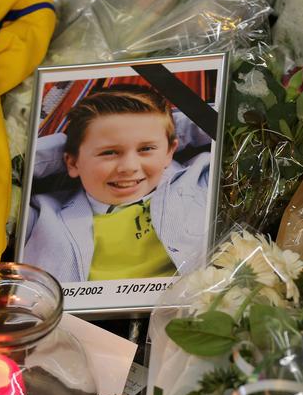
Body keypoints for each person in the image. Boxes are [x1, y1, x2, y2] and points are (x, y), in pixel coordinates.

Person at [24, 85, 211, 282]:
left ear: (170, 151)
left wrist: (166, 128)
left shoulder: (200, 180)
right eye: (109, 152)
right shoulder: (41, 216)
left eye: (146, 148)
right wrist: (62, 147)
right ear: (71, 162)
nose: (129, 167)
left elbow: (234, 118)